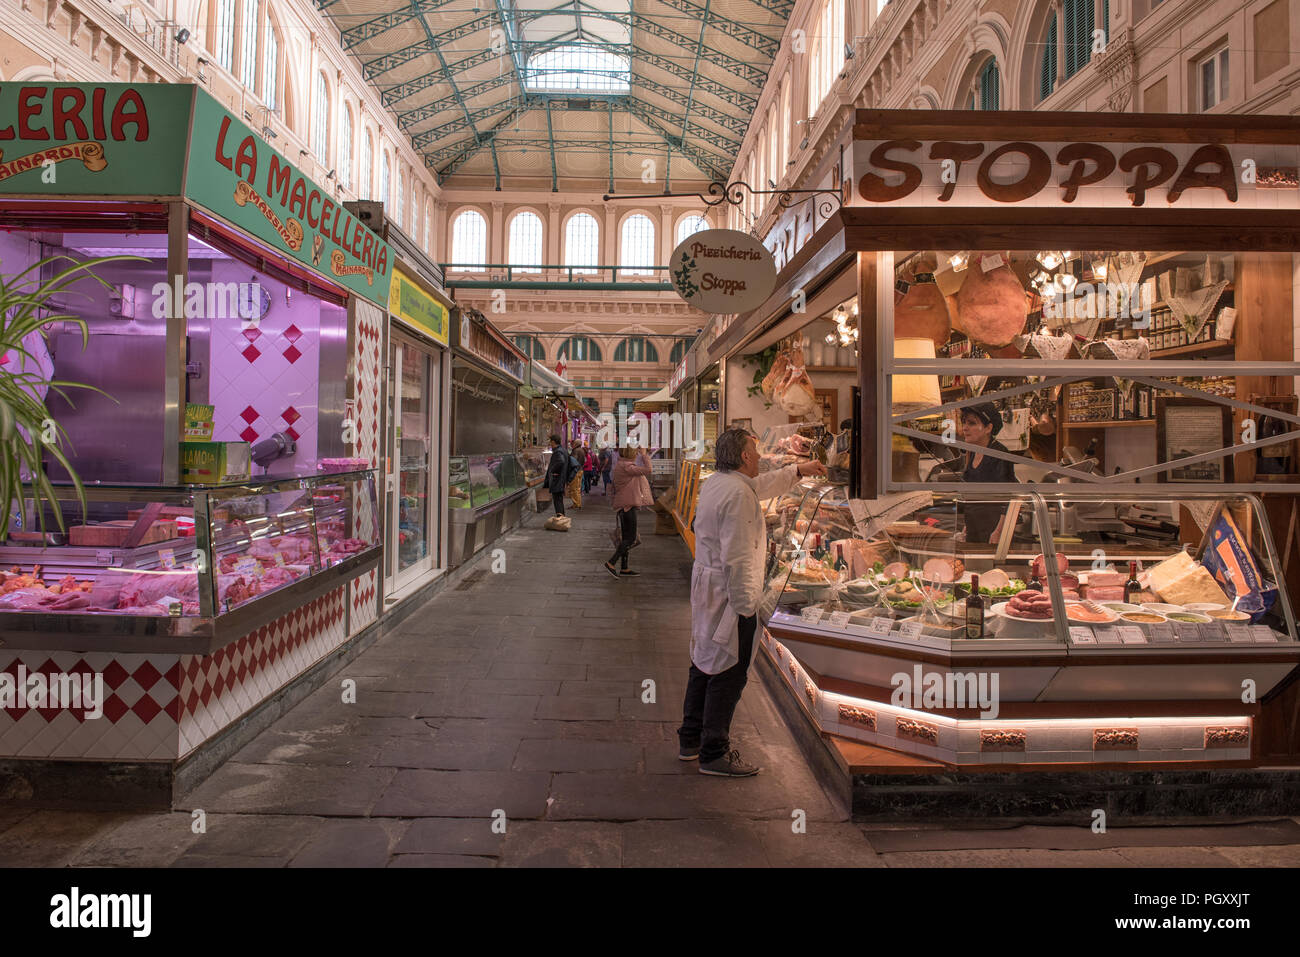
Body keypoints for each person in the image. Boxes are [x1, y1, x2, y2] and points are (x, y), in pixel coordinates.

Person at [679, 428, 826, 777]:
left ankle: (690, 739)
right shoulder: (738, 495)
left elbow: (760, 486)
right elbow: (740, 558)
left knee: (702, 662)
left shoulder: (721, 483)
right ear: (744, 457)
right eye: (755, 452)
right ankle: (714, 752)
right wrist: (748, 608)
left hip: (709, 588)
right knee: (729, 672)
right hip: (730, 595)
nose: (760, 457)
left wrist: (799, 470)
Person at [959, 401, 1017, 544]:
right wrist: (967, 526)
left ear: (988, 428)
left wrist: (999, 532)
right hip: (975, 529)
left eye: (972, 423)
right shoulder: (973, 453)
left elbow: (1009, 499)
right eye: (964, 423)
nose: (965, 428)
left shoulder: (999, 454)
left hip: (993, 532)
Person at [603, 445, 654, 578]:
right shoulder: (627, 467)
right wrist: (644, 455)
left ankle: (624, 568)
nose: (637, 454)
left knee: (625, 538)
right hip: (627, 506)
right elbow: (648, 469)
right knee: (630, 538)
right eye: (635, 452)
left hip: (625, 504)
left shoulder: (623, 465)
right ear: (631, 454)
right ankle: (611, 562)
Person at [543, 434, 569, 518]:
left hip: (557, 479)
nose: (549, 443)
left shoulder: (558, 451)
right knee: (559, 500)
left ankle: (560, 518)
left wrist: (553, 470)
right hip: (561, 478)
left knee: (557, 500)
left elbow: (560, 462)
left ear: (553, 442)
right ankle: (561, 518)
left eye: (550, 441)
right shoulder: (563, 450)